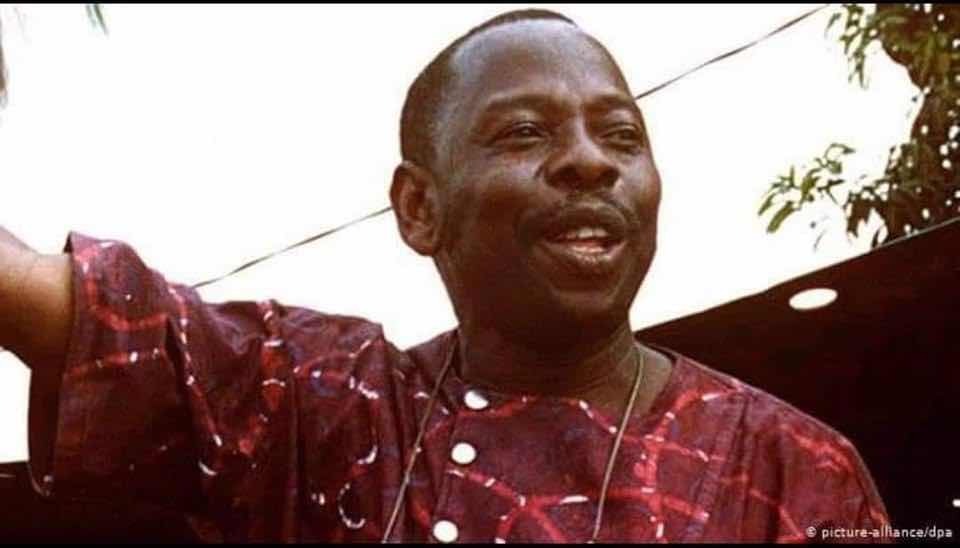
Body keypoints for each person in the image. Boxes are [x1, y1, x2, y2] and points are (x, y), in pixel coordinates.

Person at [0, 9, 890, 543]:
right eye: (526, 133)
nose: (590, 161)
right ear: (420, 208)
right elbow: (64, 305)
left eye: (622, 135)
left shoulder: (791, 468)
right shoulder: (330, 413)